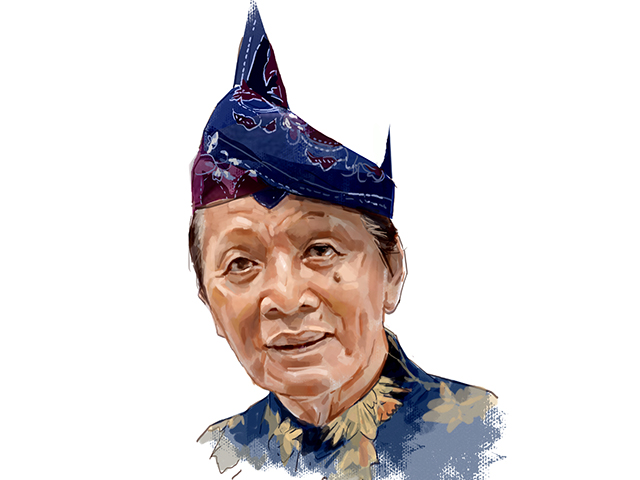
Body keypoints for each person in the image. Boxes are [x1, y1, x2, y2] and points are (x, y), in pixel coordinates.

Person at [188, 4, 503, 479]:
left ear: (392, 269)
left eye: (321, 250)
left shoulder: (484, 440)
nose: (286, 299)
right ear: (208, 300)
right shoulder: (216, 458)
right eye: (240, 263)